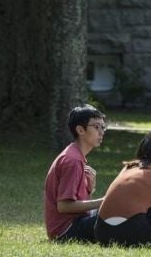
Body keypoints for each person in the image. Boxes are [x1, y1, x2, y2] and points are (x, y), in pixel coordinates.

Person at [44, 104, 106, 242]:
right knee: (119, 210)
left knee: (119, 209)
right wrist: (104, 202)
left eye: (103, 127)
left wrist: (90, 189)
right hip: (66, 231)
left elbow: (79, 207)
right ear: (80, 130)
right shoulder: (72, 160)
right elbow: (64, 206)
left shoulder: (75, 155)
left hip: (74, 224)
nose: (101, 132)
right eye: (96, 127)